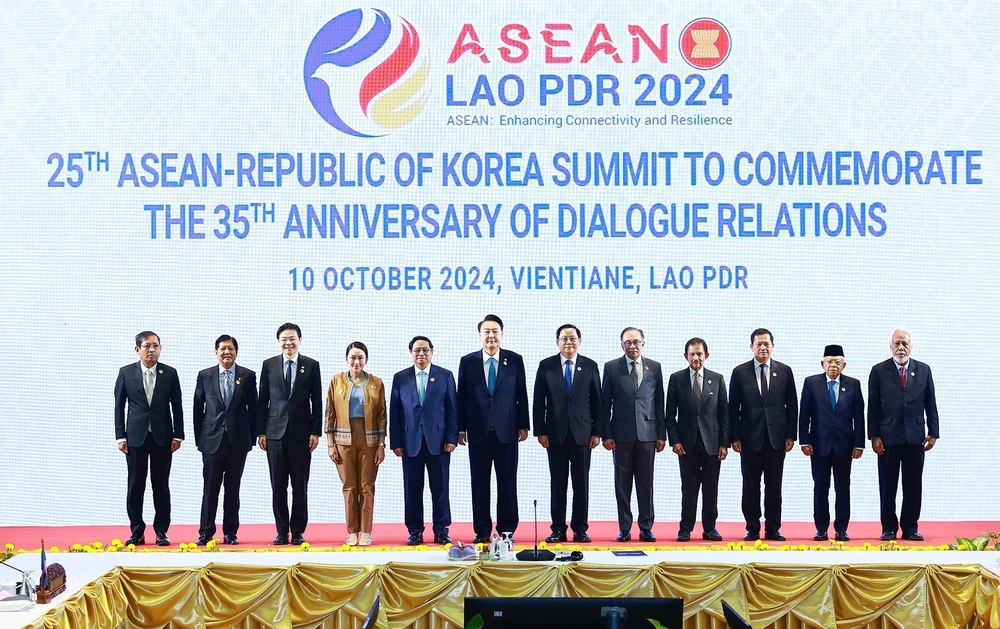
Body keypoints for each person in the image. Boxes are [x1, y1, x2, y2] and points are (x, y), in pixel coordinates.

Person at [457, 314, 529, 544]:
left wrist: (524, 425)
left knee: (507, 482)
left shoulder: (514, 360)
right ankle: (482, 530)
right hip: (478, 432)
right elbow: (462, 398)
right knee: (479, 483)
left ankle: (507, 530)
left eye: (495, 331)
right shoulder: (467, 362)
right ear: (480, 336)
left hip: (507, 431)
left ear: (502, 335)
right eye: (486, 331)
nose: (491, 336)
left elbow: (522, 395)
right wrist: (460, 429)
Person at [532, 324, 602, 543]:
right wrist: (540, 431)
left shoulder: (590, 366)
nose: (569, 342)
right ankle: (558, 528)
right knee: (558, 483)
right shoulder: (546, 366)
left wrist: (597, 432)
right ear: (557, 342)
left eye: (573, 338)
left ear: (579, 341)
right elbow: (537, 401)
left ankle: (580, 528)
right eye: (564, 339)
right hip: (555, 434)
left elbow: (597, 403)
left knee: (581, 483)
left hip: (583, 434)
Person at [868, 329, 939, 541]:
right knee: (887, 484)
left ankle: (910, 527)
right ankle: (888, 528)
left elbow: (931, 403)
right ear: (890, 346)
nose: (901, 348)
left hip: (916, 437)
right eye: (897, 343)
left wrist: (933, 432)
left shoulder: (924, 370)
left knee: (913, 485)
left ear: (911, 346)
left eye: (905, 344)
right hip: (888, 437)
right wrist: (874, 436)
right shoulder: (879, 370)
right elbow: (873, 407)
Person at [114, 331, 183, 547]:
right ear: (137, 349)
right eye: (147, 346)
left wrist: (178, 434)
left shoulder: (170, 373)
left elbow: (177, 406)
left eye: (156, 346)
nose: (152, 350)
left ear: (160, 348)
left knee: (161, 485)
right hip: (135, 438)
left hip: (163, 438)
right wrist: (120, 436)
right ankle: (137, 531)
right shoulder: (126, 373)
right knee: (135, 485)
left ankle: (161, 531)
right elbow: (119, 406)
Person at [258, 323, 323, 545]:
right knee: (277, 485)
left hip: (301, 435)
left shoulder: (311, 366)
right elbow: (262, 400)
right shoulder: (269, 365)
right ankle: (280, 530)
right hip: (274, 434)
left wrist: (315, 432)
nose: (288, 343)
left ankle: (297, 531)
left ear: (300, 340)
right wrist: (261, 432)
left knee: (300, 485)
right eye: (284, 339)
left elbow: (316, 400)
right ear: (279, 342)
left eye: (292, 338)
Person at [729, 328, 797, 541]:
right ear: (751, 347)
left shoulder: (784, 371)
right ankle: (752, 527)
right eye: (758, 344)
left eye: (767, 343)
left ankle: (773, 527)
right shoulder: (740, 372)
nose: (763, 347)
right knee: (750, 485)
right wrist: (734, 437)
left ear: (773, 346)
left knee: (774, 484)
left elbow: (792, 405)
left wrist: (790, 435)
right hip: (749, 439)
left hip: (776, 438)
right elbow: (733, 408)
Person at [389, 336, 458, 545]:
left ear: (432, 352)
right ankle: (415, 531)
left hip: (439, 442)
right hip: (410, 443)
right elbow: (395, 412)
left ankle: (441, 529)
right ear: (411, 353)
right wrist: (396, 442)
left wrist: (452, 438)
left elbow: (452, 409)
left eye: (425, 350)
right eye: (417, 350)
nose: (421, 354)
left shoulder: (445, 376)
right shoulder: (400, 378)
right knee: (412, 489)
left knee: (441, 488)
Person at [601, 327, 666, 543]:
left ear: (643, 344)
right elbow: (605, 404)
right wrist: (606, 435)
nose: (632, 346)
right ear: (622, 345)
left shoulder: (654, 368)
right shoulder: (611, 367)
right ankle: (625, 528)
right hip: (621, 435)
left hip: (648, 434)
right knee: (623, 483)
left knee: (646, 483)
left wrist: (661, 435)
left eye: (636, 342)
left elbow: (659, 403)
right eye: (628, 343)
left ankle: (646, 527)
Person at [192, 335, 257, 546]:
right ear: (216, 352)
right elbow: (197, 408)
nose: (226, 352)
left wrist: (252, 438)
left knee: (233, 488)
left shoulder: (247, 376)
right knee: (210, 488)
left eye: (230, 349)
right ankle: (205, 532)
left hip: (238, 441)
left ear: (236, 352)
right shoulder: (205, 375)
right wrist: (199, 439)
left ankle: (231, 532)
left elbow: (254, 409)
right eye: (222, 349)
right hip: (211, 441)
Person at [665, 337, 729, 542]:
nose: (696, 357)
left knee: (711, 487)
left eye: (699, 354)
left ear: (706, 356)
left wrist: (723, 444)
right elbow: (669, 415)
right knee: (689, 488)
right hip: (686, 444)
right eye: (692, 354)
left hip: (712, 443)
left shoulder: (717, 379)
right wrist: (674, 440)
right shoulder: (676, 379)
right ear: (686, 356)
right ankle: (685, 528)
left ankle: (710, 527)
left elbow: (724, 414)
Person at [799, 344, 865, 541]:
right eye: (829, 362)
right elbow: (805, 415)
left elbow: (859, 417)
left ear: (844, 365)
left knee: (843, 486)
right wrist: (804, 441)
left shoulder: (853, 384)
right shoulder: (811, 383)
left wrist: (859, 444)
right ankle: (821, 528)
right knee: (820, 486)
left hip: (844, 446)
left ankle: (841, 528)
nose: (833, 365)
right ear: (822, 363)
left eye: (838, 362)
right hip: (819, 445)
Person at [327, 342, 387, 547]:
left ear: (366, 360)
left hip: (369, 440)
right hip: (343, 439)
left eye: (360, 357)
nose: (356, 361)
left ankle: (366, 531)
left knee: (367, 486)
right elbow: (330, 414)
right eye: (352, 357)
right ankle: (352, 531)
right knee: (349, 486)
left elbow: (381, 416)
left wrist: (381, 445)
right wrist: (330, 444)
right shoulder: (336, 381)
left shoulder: (376, 383)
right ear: (346, 359)